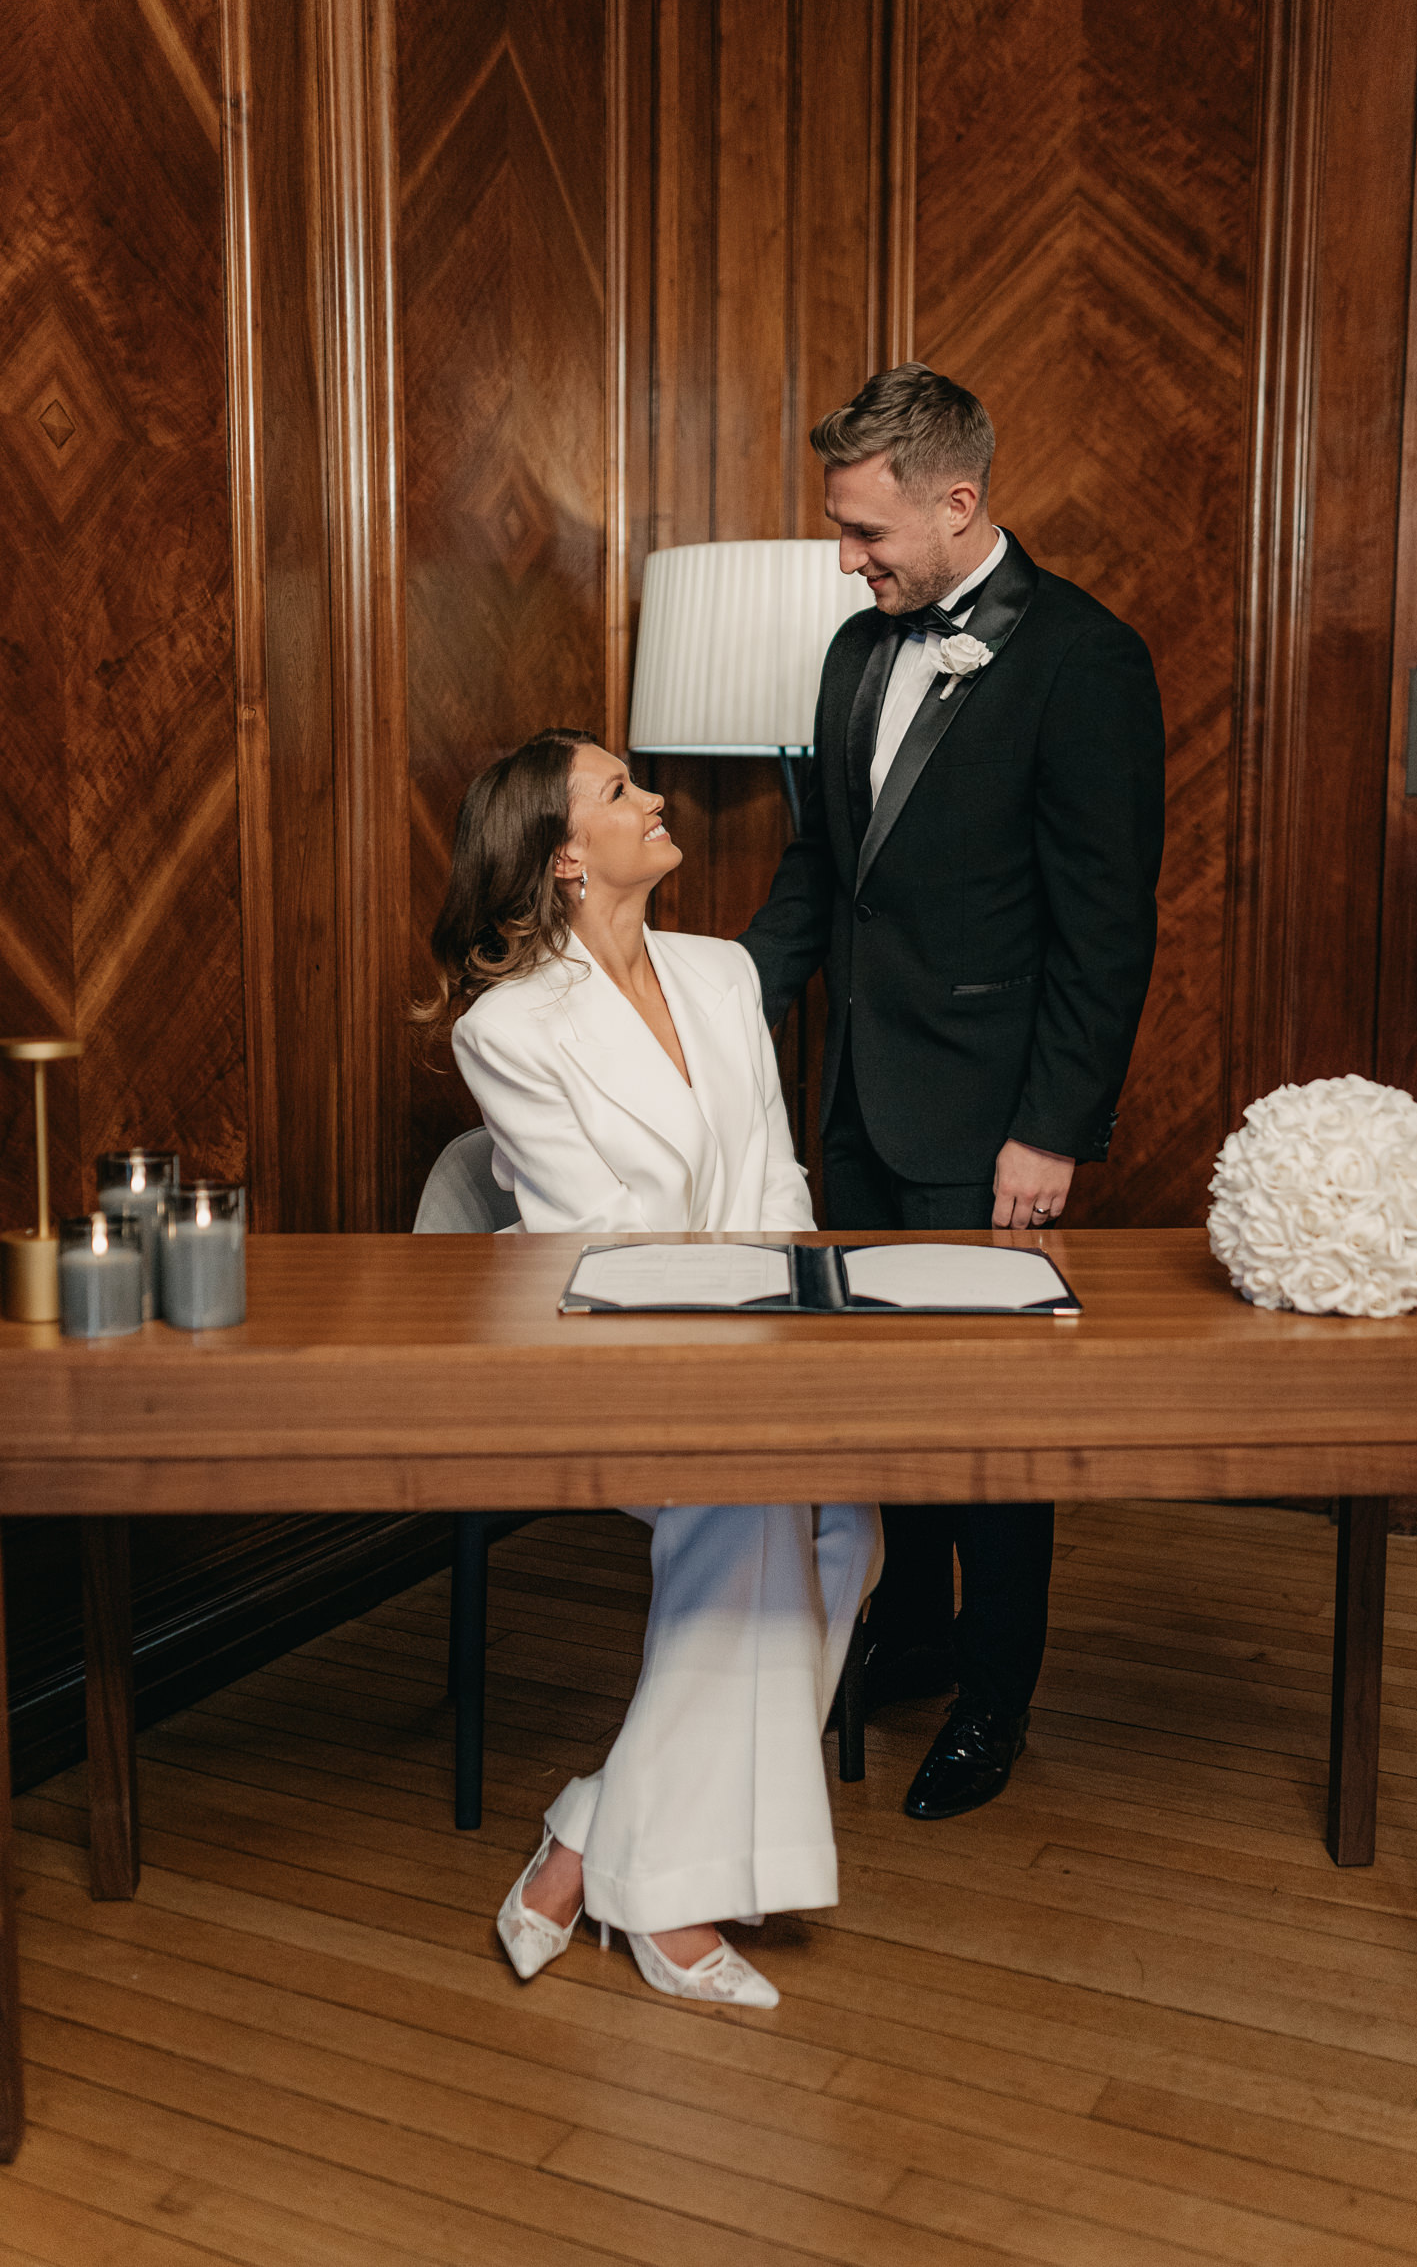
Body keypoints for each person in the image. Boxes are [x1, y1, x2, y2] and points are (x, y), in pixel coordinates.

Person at [741, 363, 1164, 1822]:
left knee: (987, 1419)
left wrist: (1050, 1129)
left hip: (989, 1121)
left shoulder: (1083, 660)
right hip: (854, 1098)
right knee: (880, 1400)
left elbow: (1106, 930)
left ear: (958, 499)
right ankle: (911, 1630)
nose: (850, 561)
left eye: (867, 533)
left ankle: (998, 1690)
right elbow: (818, 877)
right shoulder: (856, 653)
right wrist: (710, 1009)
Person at [421, 728, 881, 2008]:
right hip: (595, 1358)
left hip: (756, 1342)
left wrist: (791, 1339)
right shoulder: (509, 1028)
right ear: (565, 858)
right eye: (620, 791)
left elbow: (779, 1181)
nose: (654, 797)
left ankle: (590, 1830)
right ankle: (667, 1905)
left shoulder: (723, 974)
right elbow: (595, 1237)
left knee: (849, 1525)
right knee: (751, 1504)